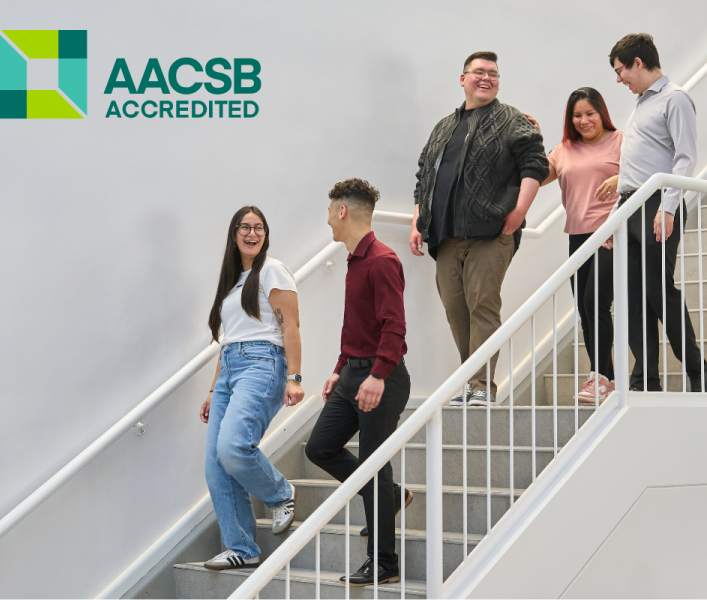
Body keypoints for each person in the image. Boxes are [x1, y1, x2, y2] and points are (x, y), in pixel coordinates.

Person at [410, 51, 549, 406]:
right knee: (457, 312)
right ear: (463, 79)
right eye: (479, 72)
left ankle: (482, 386)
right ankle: (470, 383)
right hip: (445, 236)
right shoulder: (443, 126)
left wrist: (520, 210)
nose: (486, 78)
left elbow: (535, 162)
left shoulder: (512, 119)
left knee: (482, 306)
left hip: (492, 232)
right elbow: (424, 174)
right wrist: (417, 221)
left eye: (493, 74)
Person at [304, 179, 412, 586]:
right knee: (320, 448)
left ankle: (384, 563)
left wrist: (379, 375)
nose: (329, 219)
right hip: (352, 373)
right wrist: (339, 367)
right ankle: (392, 496)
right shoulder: (353, 260)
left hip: (379, 378)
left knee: (373, 469)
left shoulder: (382, 260)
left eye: (330, 211)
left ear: (343, 211)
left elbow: (394, 326)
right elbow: (358, 326)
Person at [199, 206, 304, 570]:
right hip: (230, 368)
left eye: (259, 227)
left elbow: (290, 326)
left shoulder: (272, 270)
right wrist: (214, 389)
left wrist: (295, 377)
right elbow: (230, 341)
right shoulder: (232, 282)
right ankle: (243, 549)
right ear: (234, 234)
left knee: (233, 447)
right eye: (245, 227)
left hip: (263, 364)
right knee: (215, 464)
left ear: (265, 234)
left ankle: (280, 493)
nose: (252, 233)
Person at [609, 33, 707, 392]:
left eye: (621, 70)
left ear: (638, 62)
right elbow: (634, 166)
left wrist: (668, 207)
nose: (619, 79)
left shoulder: (675, 98)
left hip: (656, 205)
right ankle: (644, 380)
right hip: (629, 206)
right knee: (632, 297)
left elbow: (685, 158)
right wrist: (614, 219)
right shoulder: (640, 104)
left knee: (657, 290)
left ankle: (697, 370)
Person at [535, 87, 622, 404]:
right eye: (577, 115)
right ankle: (605, 379)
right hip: (578, 236)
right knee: (585, 310)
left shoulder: (621, 140)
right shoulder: (564, 149)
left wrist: (621, 176)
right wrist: (533, 141)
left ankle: (599, 376)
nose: (584, 120)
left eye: (589, 113)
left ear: (602, 112)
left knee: (595, 301)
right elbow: (538, 175)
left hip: (611, 233)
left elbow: (647, 170)